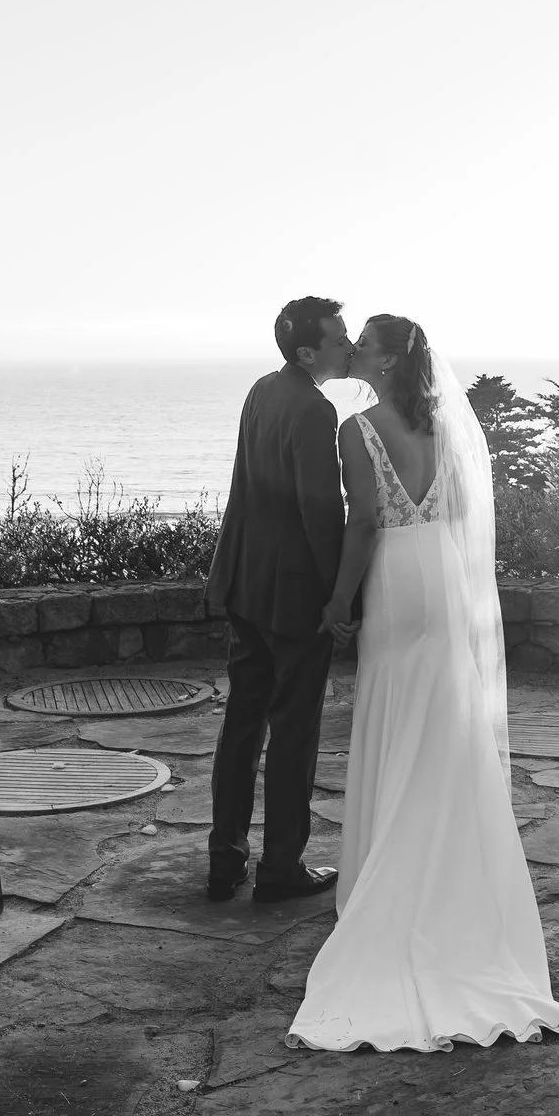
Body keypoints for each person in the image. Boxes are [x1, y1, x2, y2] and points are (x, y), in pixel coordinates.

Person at [287, 314, 559, 1051]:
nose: (353, 349)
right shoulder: (447, 428)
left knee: (395, 713)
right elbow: (456, 516)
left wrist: (337, 601)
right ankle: (460, 883)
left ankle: (390, 876)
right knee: (448, 721)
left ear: (387, 363)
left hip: (394, 577)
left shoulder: (358, 429)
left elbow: (362, 525)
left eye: (365, 344)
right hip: (446, 581)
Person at [204, 295, 351, 904]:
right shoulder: (316, 411)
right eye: (341, 337)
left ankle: (225, 859)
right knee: (293, 734)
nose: (349, 345)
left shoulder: (261, 390)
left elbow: (247, 485)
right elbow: (322, 510)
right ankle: (282, 867)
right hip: (293, 597)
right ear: (309, 351)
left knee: (242, 724)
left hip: (245, 582)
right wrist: (343, 594)